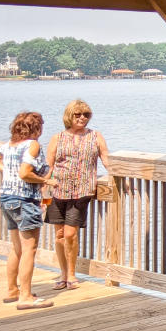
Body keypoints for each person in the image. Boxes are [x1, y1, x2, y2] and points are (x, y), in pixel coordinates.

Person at [0, 111, 57, 310]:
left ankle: (12, 290)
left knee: (16, 248)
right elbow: (25, 173)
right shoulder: (32, 145)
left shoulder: (10, 145)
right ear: (37, 128)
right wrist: (45, 180)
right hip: (24, 200)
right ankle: (25, 296)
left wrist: (8, 172)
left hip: (6, 198)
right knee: (29, 250)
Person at [45, 99, 114, 290]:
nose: (82, 118)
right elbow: (49, 166)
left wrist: (118, 177)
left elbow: (106, 158)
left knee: (70, 234)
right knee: (59, 234)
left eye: (86, 115)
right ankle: (63, 274)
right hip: (57, 190)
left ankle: (73, 273)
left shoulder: (95, 136)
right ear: (69, 116)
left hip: (82, 191)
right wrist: (42, 189)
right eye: (78, 114)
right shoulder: (57, 137)